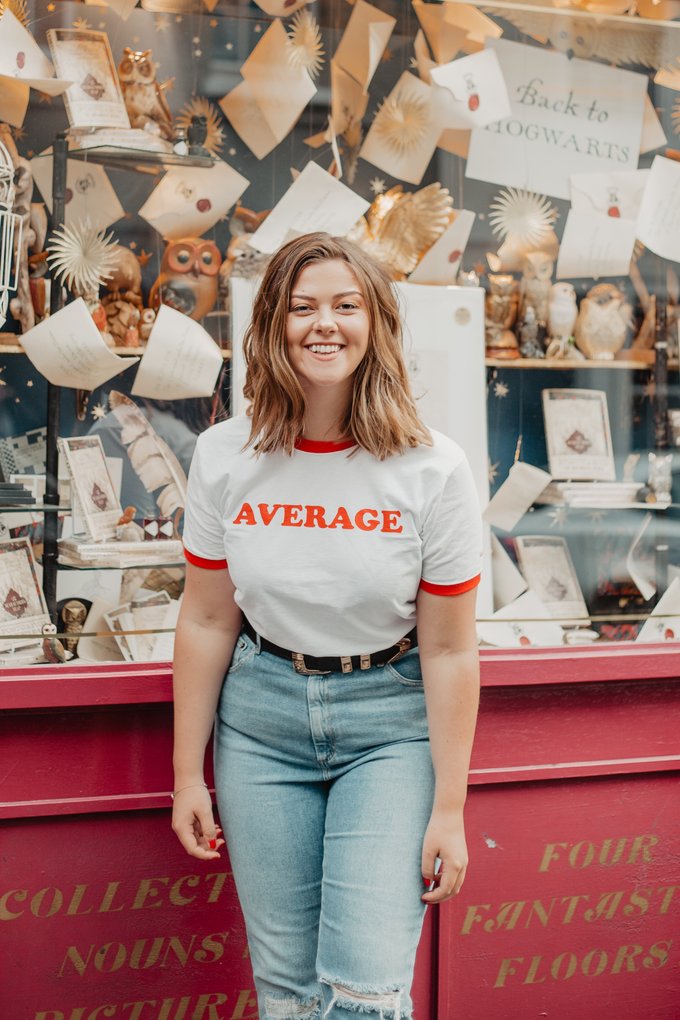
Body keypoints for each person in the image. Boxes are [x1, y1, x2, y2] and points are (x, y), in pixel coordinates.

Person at [171, 232, 483, 1019]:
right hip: (260, 722)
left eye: (346, 305)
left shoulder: (433, 467)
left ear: (376, 322)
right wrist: (186, 775)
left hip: (390, 727)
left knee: (366, 989)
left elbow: (450, 648)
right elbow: (206, 618)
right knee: (286, 990)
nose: (325, 324)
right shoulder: (224, 455)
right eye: (302, 306)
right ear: (271, 323)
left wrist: (450, 808)